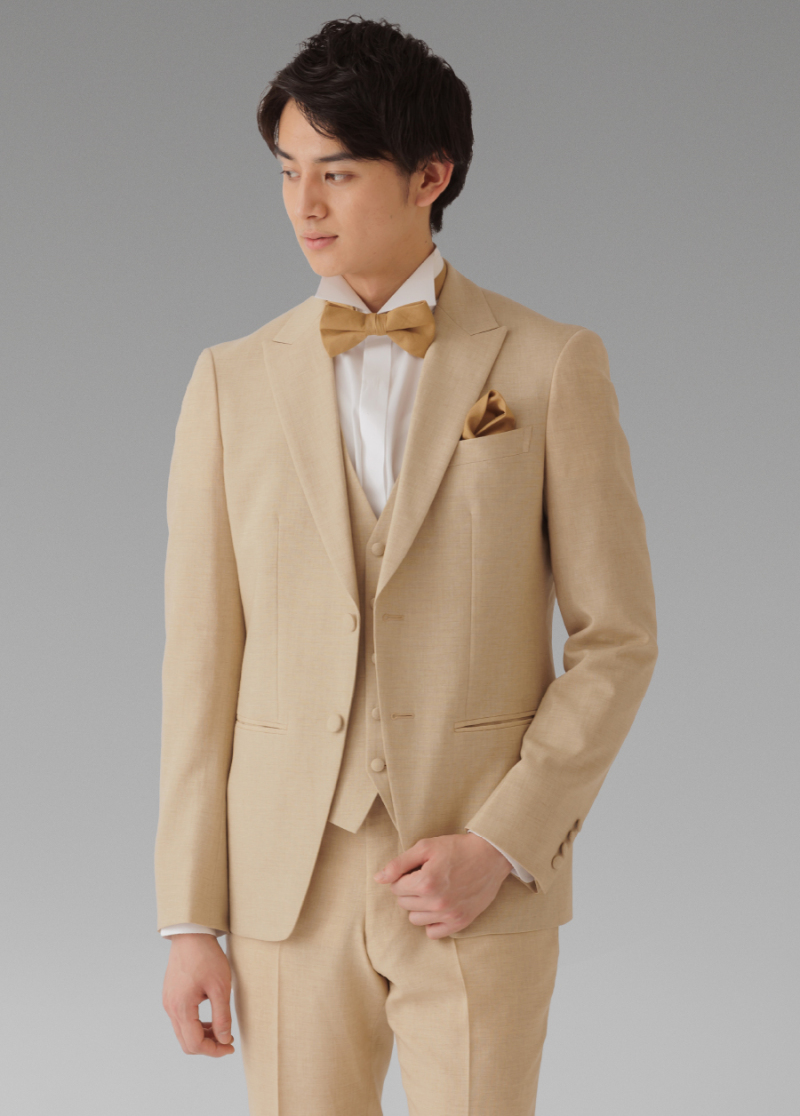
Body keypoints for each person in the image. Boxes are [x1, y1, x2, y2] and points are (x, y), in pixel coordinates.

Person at [154, 15, 658, 1115]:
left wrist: (503, 841)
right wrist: (191, 919)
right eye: (287, 170)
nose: (304, 204)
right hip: (288, 886)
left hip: (477, 880)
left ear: (431, 175)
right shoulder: (230, 383)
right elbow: (199, 665)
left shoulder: (550, 366)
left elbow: (617, 640)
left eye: (336, 171)